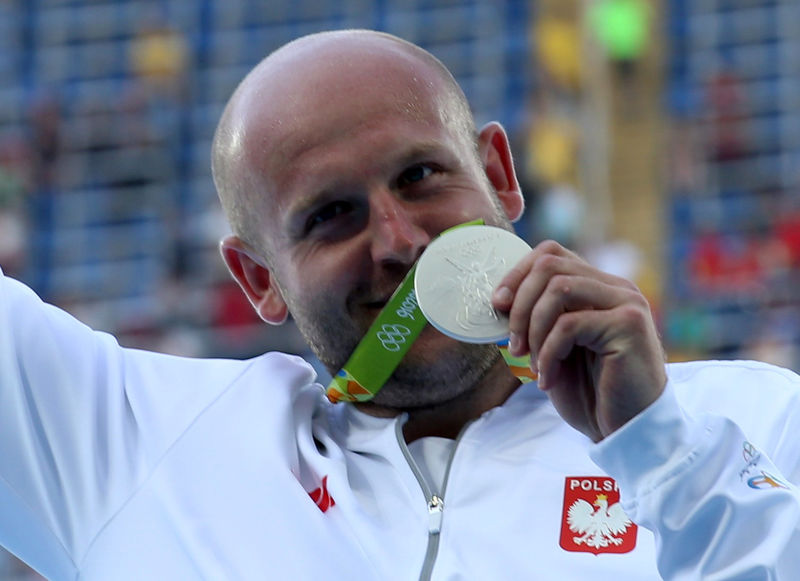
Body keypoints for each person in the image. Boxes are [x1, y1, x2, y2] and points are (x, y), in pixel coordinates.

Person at [1, 29, 799, 580]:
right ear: (258, 279)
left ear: (499, 174)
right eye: (330, 215)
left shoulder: (755, 425)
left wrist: (659, 448)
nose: (399, 241)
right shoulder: (132, 449)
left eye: (421, 176)